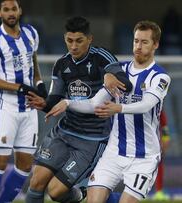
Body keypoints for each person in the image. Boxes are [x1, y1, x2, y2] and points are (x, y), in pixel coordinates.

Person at [44, 20, 170, 203]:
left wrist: (119, 108)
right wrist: (68, 102)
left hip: (144, 157)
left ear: (155, 44)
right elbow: (96, 103)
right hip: (114, 152)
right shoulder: (120, 71)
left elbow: (146, 104)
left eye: (144, 42)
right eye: (136, 41)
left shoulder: (159, 76)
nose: (138, 46)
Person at [25, 16, 132, 203]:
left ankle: (82, 195)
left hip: (92, 140)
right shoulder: (61, 65)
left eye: (79, 41)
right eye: (69, 40)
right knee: (36, 181)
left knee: (56, 192)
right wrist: (43, 104)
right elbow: (55, 100)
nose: (73, 46)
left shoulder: (102, 58)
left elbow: (126, 85)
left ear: (89, 39)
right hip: (63, 133)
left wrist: (110, 75)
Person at [0, 0, 48, 202]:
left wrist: (39, 83)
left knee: (26, 166)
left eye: (14, 9)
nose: (11, 13)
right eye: (6, 10)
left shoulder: (31, 34)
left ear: (20, 11)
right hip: (5, 108)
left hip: (28, 109)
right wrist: (19, 87)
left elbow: (32, 60)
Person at [153, 109, 170, 200]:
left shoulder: (157, 101)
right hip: (138, 141)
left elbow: (163, 121)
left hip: (155, 140)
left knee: (158, 163)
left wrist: (166, 137)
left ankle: (159, 191)